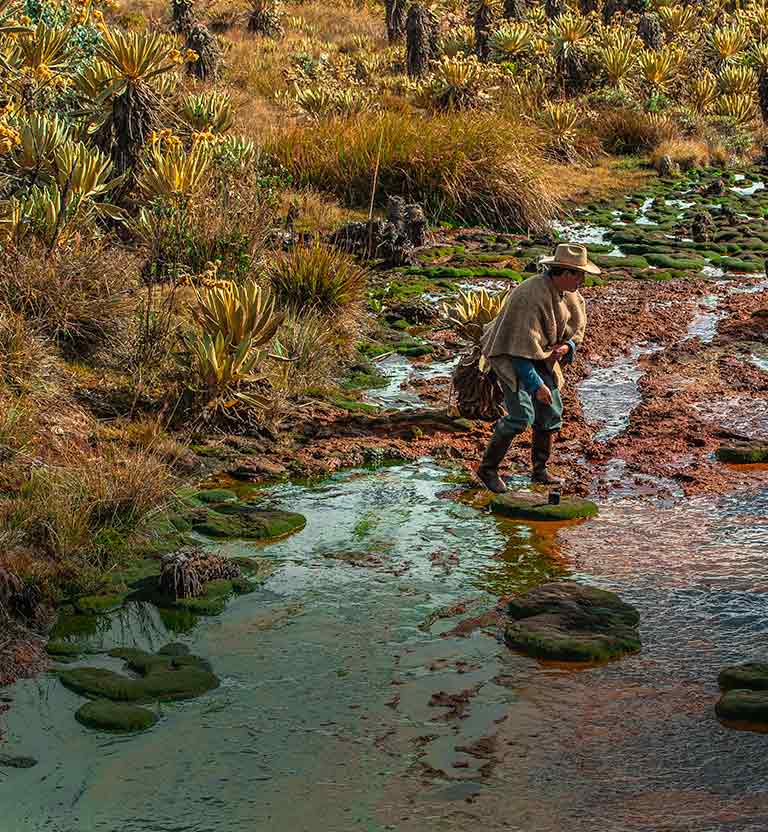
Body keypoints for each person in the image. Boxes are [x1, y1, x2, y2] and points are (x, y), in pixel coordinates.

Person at [476, 243, 600, 493]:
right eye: (579, 275)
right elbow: (518, 348)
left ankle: (540, 470)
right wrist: (536, 385)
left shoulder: (572, 295)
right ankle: (487, 470)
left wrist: (567, 348)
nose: (582, 280)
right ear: (565, 273)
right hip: (511, 357)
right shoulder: (529, 296)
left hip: (542, 356)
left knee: (551, 412)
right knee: (521, 417)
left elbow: (576, 332)